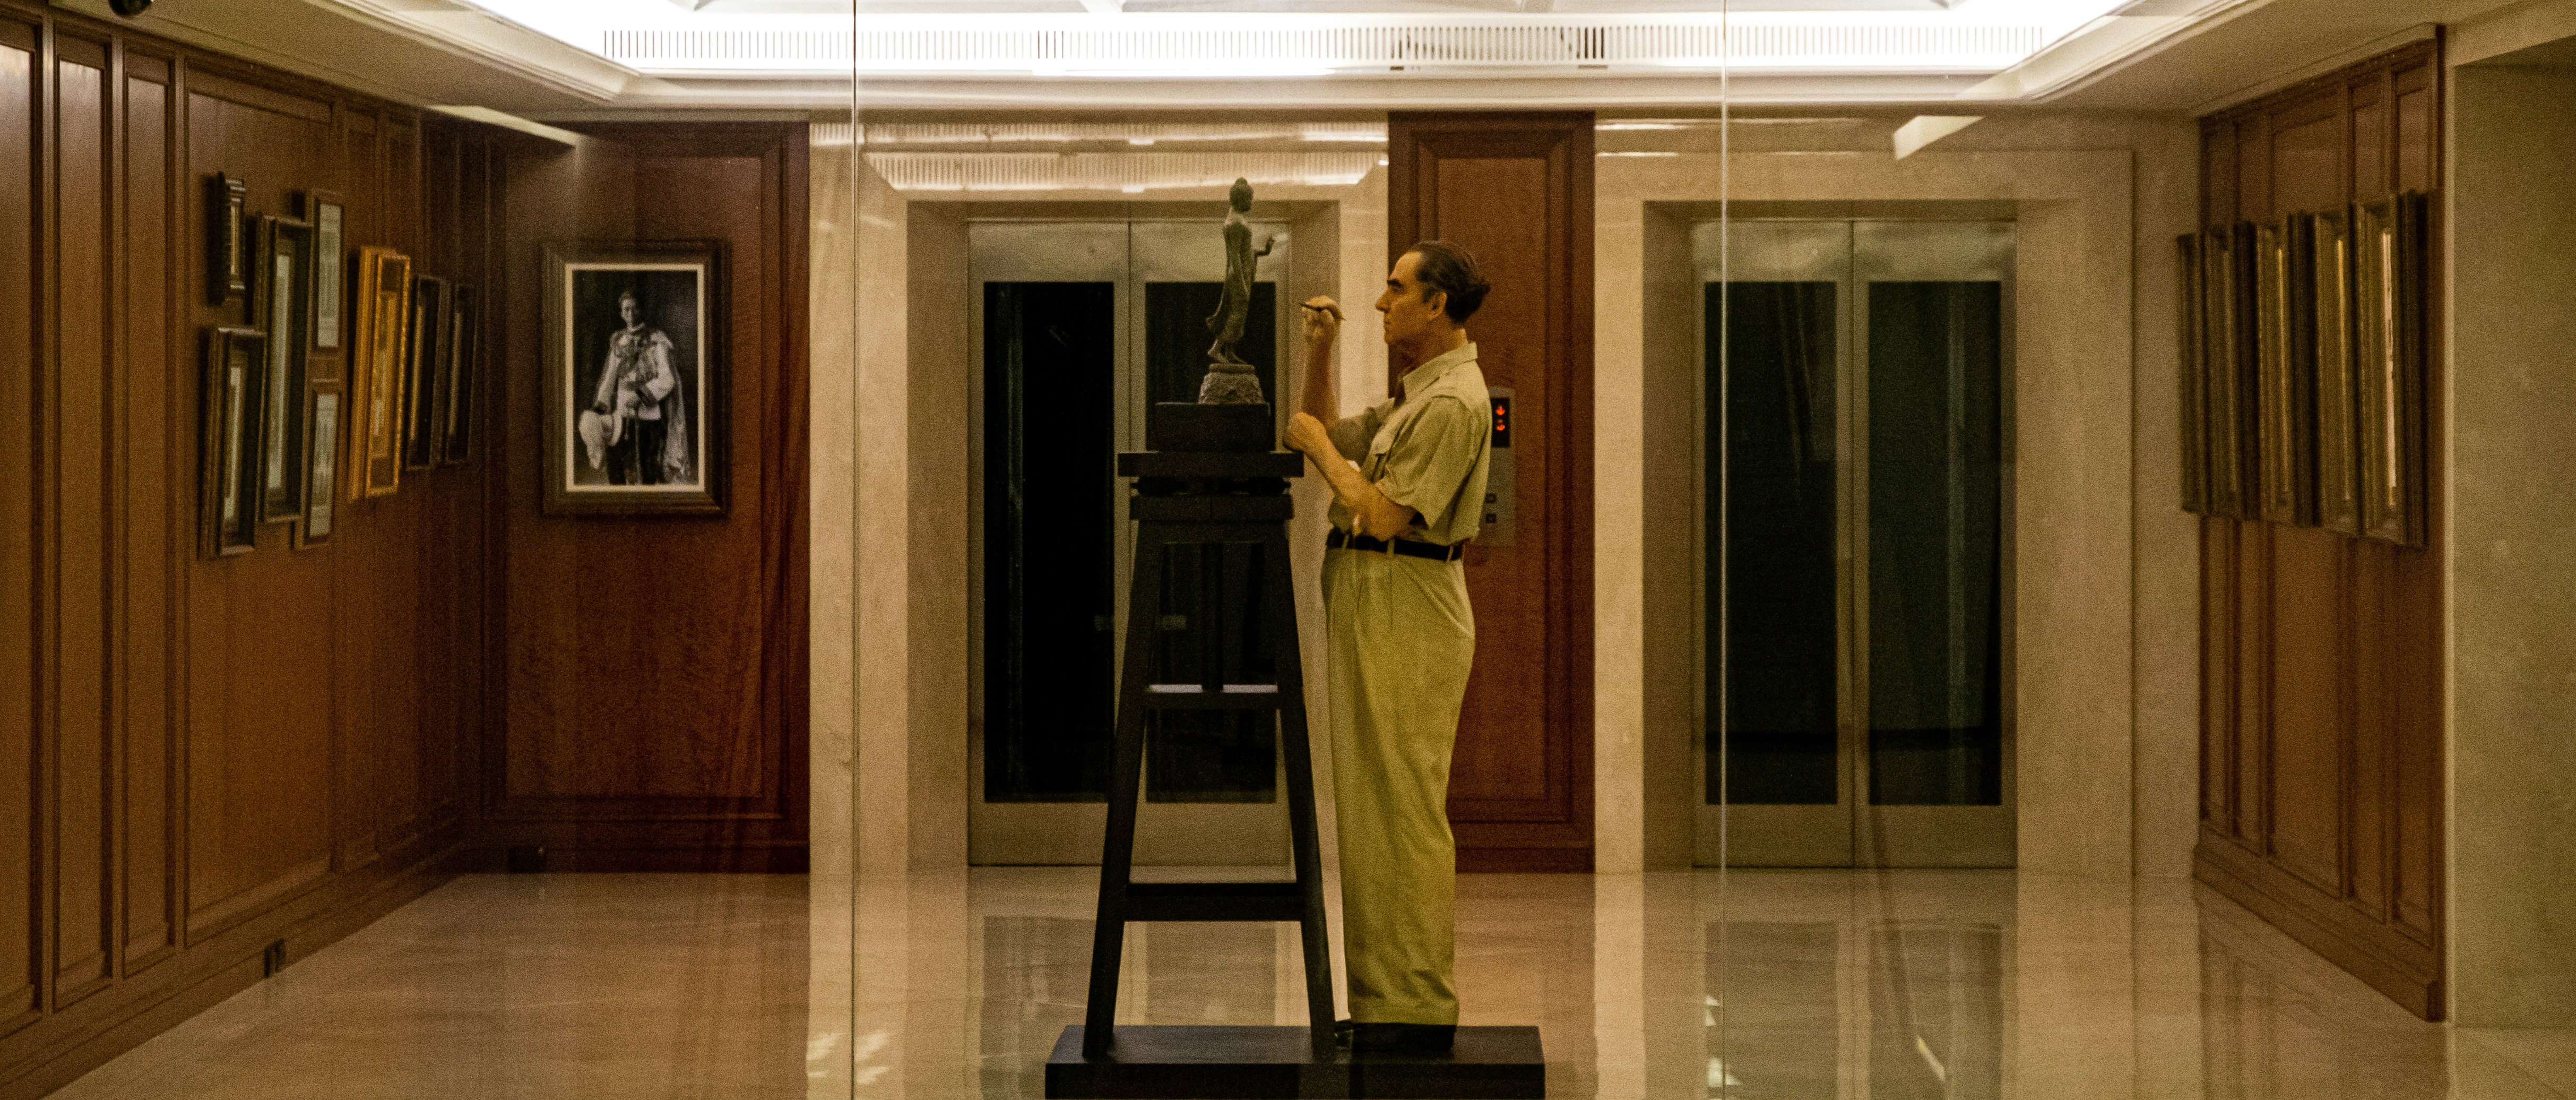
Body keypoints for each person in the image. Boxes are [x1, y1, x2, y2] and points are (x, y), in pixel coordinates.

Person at [1281, 240, 1493, 1055]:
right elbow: (1326, 430)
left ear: (1435, 304)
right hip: (1377, 593)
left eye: (1395, 289)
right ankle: (1384, 1003)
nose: (1381, 303)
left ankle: (1414, 1003)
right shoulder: (1419, 394)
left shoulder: (1453, 404)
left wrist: (1321, 450)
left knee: (1401, 806)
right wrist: (1318, 352)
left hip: (1407, 594)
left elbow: (1380, 513)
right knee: (1373, 806)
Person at [589, 288, 691, 486]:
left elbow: (667, 379)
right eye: (626, 310)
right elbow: (610, 377)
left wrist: (642, 395)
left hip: (649, 414)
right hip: (621, 415)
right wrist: (601, 405)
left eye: (635, 309)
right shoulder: (618, 341)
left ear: (641, 310)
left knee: (647, 470)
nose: (631, 314)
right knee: (617, 469)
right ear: (621, 313)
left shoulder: (657, 340)